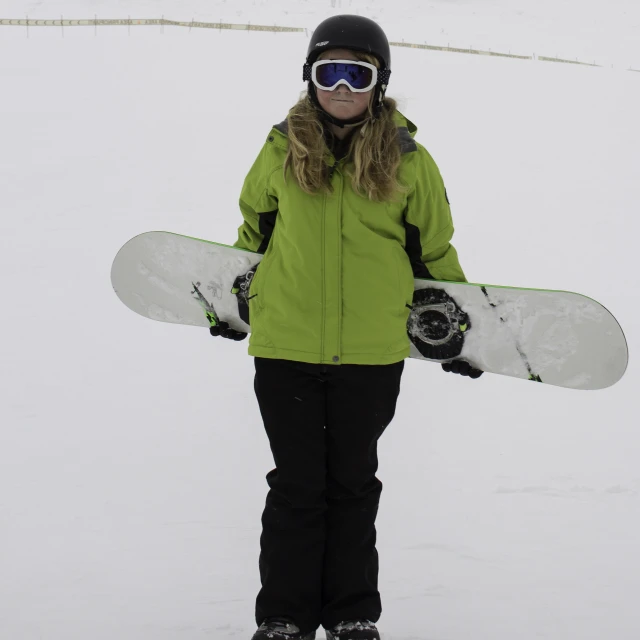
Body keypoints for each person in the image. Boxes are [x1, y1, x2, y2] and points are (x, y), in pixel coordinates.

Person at [213, 14, 482, 640]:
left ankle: (353, 613)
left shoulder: (412, 160)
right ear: (309, 80)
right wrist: (228, 301)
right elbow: (253, 233)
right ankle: (283, 617)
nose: (340, 86)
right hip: (285, 347)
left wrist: (464, 333)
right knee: (296, 485)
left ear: (378, 83)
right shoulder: (281, 149)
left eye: (354, 74)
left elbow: (434, 252)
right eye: (326, 72)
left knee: (354, 483)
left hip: (370, 351)